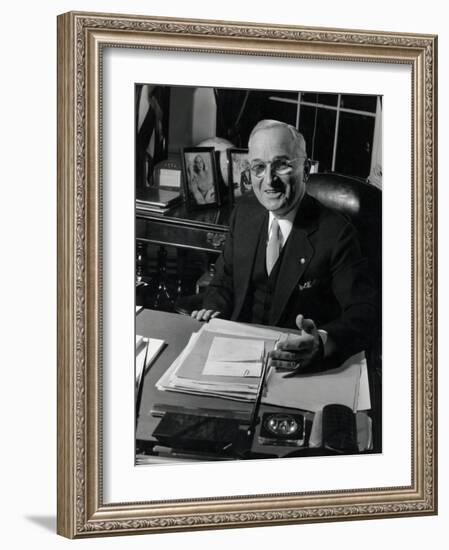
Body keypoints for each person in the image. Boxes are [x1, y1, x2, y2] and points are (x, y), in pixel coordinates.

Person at [191, 120, 378, 373]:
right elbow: (224, 280)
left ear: (306, 170)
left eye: (281, 165)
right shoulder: (244, 214)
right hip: (236, 358)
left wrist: (321, 341)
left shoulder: (337, 233)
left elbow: (364, 313)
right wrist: (213, 311)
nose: (269, 181)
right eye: (258, 167)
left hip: (300, 366)